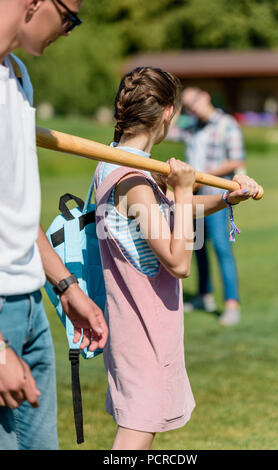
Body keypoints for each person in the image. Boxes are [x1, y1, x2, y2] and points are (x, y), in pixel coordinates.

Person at [94, 67, 260, 450]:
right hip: (140, 327)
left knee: (140, 429)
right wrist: (184, 191)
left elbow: (168, 210)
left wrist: (224, 198)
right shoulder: (133, 178)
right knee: (135, 433)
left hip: (140, 324)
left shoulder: (119, 163)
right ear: (168, 113)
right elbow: (179, 261)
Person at [0, 0, 108, 450]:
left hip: (29, 309)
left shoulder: (18, 76)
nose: (70, 30)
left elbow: (15, 210)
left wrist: (67, 288)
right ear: (35, 2)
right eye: (71, 17)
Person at [169, 87, 247, 325]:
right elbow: (167, 130)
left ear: (206, 96)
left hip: (215, 195)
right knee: (198, 247)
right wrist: (178, 108)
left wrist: (203, 175)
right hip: (192, 197)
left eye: (194, 101)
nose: (192, 107)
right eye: (187, 105)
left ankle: (232, 303)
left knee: (221, 248)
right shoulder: (191, 127)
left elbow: (237, 160)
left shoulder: (226, 125)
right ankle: (205, 296)